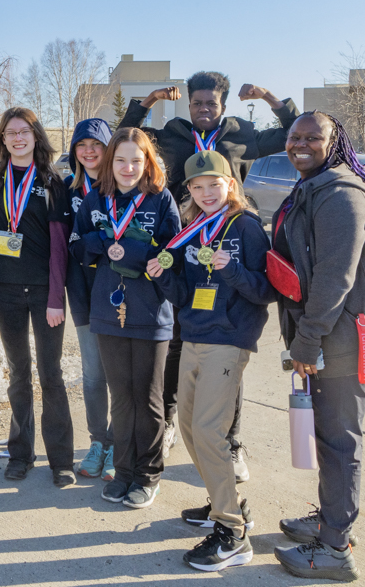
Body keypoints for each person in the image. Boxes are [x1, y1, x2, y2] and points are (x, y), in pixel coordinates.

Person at [121, 72, 299, 480]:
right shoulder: (172, 135)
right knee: (178, 342)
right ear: (189, 106)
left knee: (225, 353)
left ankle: (231, 442)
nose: (204, 110)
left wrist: (269, 96)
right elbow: (126, 135)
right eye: (198, 104)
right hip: (185, 238)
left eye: (212, 105)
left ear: (224, 106)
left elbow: (293, 132)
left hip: (229, 242)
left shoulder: (243, 137)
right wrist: (148, 98)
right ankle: (168, 422)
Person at [270, 112, 365, 581]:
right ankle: (331, 520)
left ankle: (334, 549)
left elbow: (335, 277)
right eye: (295, 137)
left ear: (335, 143)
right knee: (328, 439)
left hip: (348, 339)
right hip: (328, 334)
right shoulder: (315, 185)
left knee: (339, 440)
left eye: (313, 137)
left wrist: (306, 342)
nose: (301, 144)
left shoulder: (342, 195)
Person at [148, 150, 275, 571]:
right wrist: (162, 276)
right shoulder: (192, 231)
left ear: (230, 185)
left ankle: (232, 534)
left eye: (213, 185)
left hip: (228, 340)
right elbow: (184, 294)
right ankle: (226, 502)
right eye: (197, 187)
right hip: (195, 337)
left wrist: (234, 270)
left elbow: (266, 291)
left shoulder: (247, 228)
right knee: (187, 426)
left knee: (208, 430)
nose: (205, 193)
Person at [70, 127, 179, 510]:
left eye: (136, 160)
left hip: (150, 312)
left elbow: (173, 250)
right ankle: (124, 470)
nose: (128, 167)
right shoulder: (96, 199)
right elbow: (77, 246)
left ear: (147, 162)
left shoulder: (160, 199)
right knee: (121, 397)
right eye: (120, 160)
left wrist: (136, 250)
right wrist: (102, 244)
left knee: (147, 399)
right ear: (109, 162)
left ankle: (148, 476)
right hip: (107, 311)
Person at [0, 108, 75, 487]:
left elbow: (58, 247)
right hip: (5, 292)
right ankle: (20, 454)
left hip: (43, 293)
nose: (17, 138)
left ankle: (62, 461)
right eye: (10, 132)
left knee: (50, 374)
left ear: (36, 136)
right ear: (2, 139)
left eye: (24, 131)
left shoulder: (53, 182)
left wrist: (56, 297)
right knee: (18, 374)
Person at [63, 118, 116, 482]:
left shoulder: (124, 187)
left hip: (119, 292)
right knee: (94, 374)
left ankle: (120, 444)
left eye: (96, 143)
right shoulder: (66, 188)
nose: (89, 150)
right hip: (81, 290)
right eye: (81, 144)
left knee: (120, 374)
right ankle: (98, 441)